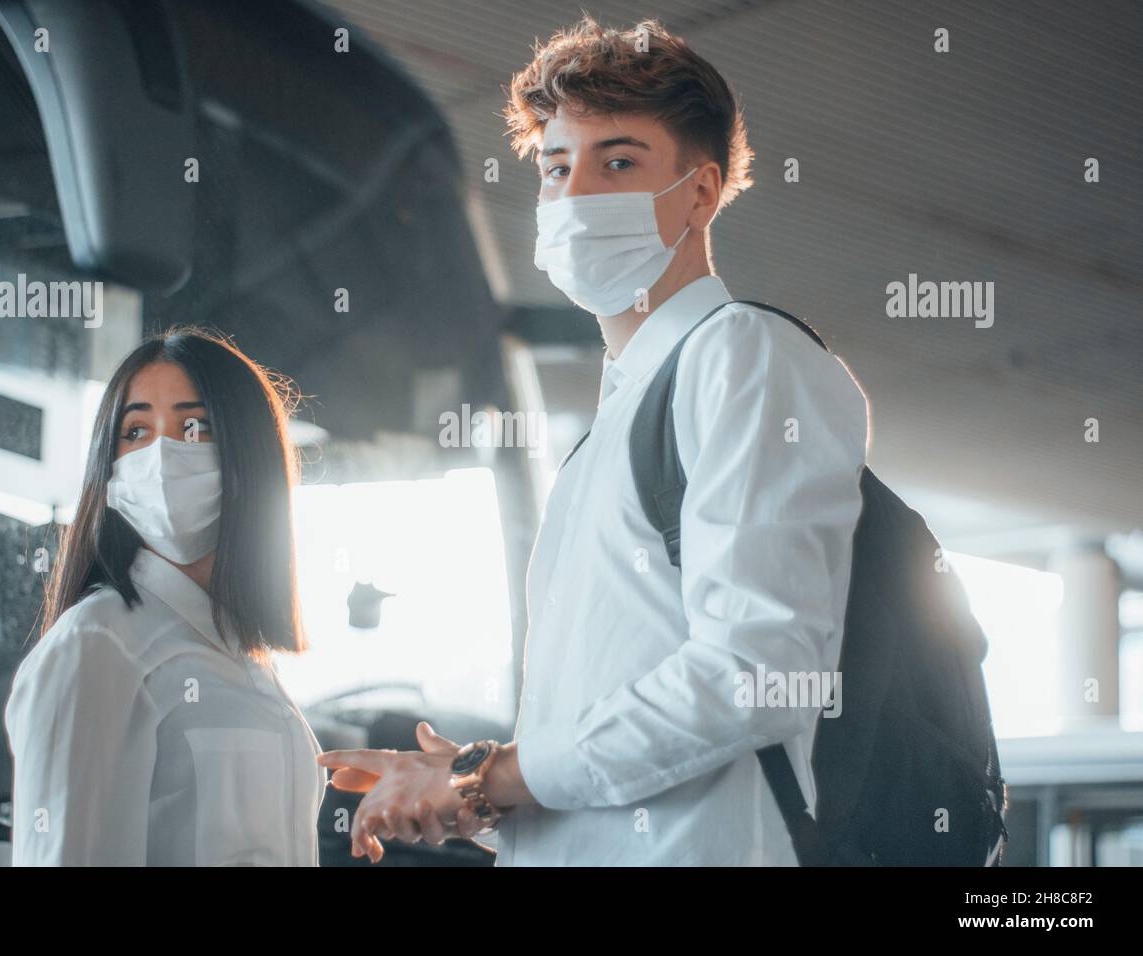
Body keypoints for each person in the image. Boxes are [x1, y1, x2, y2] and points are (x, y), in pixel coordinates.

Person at [318, 16, 869, 865]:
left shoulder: (740, 354)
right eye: (555, 166)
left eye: (618, 162)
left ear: (701, 192)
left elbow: (756, 671)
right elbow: (601, 745)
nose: (575, 195)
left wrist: (496, 775)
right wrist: (469, 787)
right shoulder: (608, 429)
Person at [5, 325, 325, 865]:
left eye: (193, 426)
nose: (161, 456)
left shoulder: (246, 657)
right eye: (135, 432)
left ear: (248, 450)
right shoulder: (98, 646)